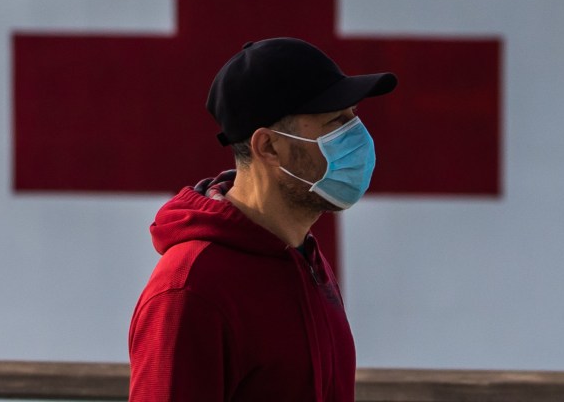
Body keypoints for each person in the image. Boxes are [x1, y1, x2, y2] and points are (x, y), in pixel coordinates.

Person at [129, 38, 392, 402]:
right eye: (336, 123)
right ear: (268, 146)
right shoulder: (189, 289)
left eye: (353, 117)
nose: (358, 136)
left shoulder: (305, 260)